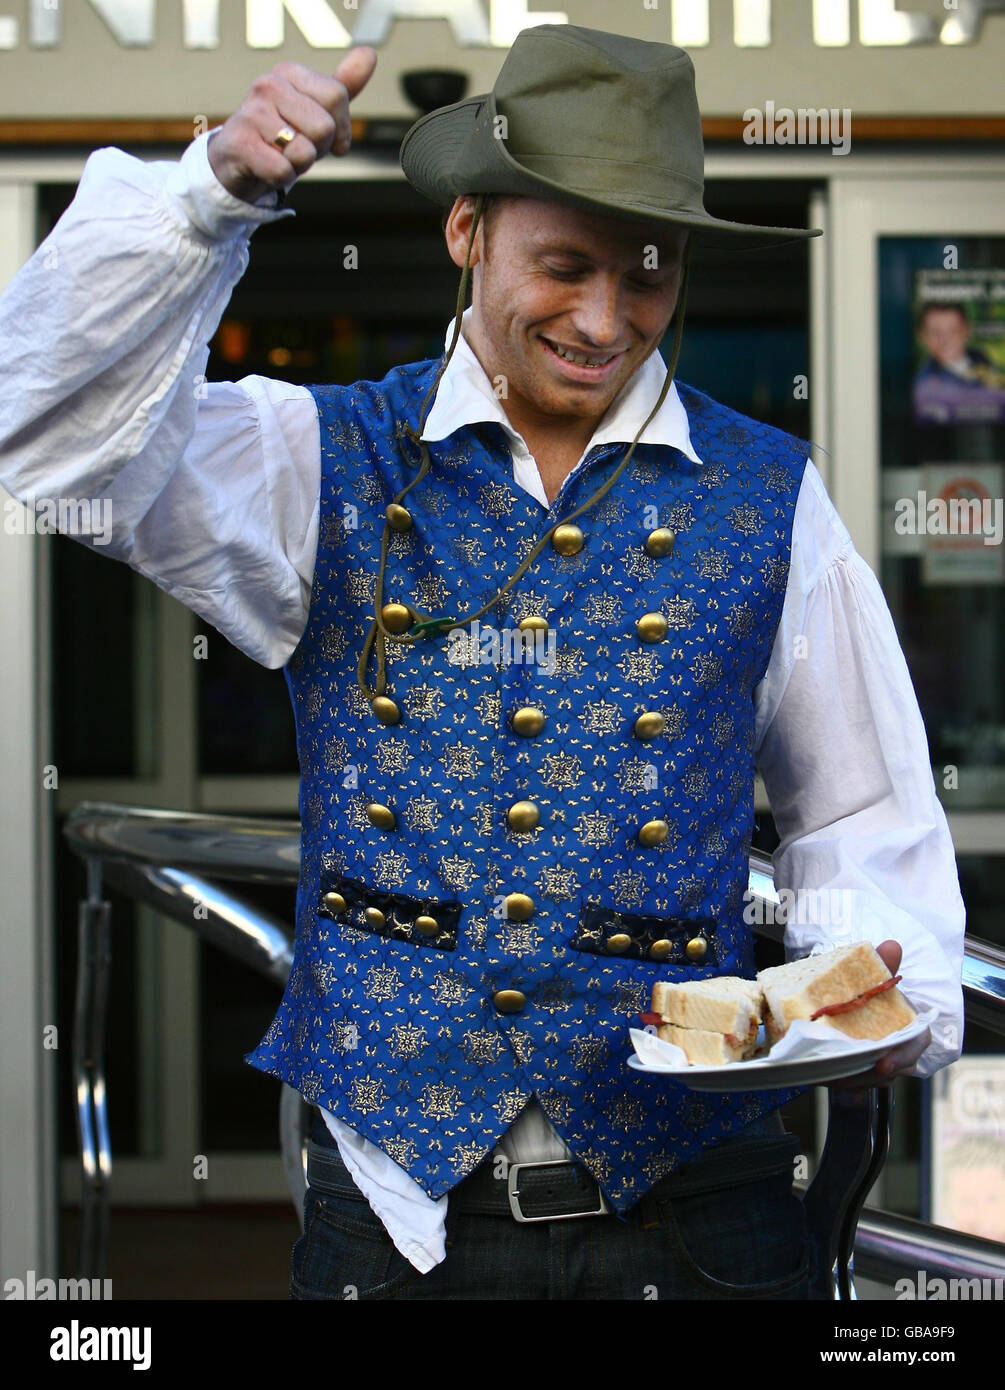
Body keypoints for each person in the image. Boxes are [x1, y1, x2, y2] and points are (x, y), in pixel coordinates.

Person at [0, 25, 965, 1300]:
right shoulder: (319, 454)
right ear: (467, 232)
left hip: (703, 1217)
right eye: (563, 265)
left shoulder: (768, 494)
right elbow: (44, 440)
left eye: (649, 273)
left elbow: (854, 807)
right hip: (399, 1221)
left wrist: (869, 988)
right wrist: (206, 198)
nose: (604, 319)